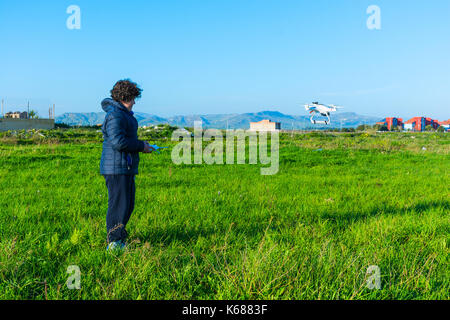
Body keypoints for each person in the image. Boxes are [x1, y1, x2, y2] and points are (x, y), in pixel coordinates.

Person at [100, 79, 154, 251]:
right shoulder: (116, 115)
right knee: (118, 205)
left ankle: (120, 238)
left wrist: (141, 144)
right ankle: (114, 243)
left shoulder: (120, 114)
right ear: (124, 97)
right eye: (132, 98)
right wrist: (141, 146)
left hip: (124, 167)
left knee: (127, 204)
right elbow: (118, 141)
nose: (134, 102)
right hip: (117, 168)